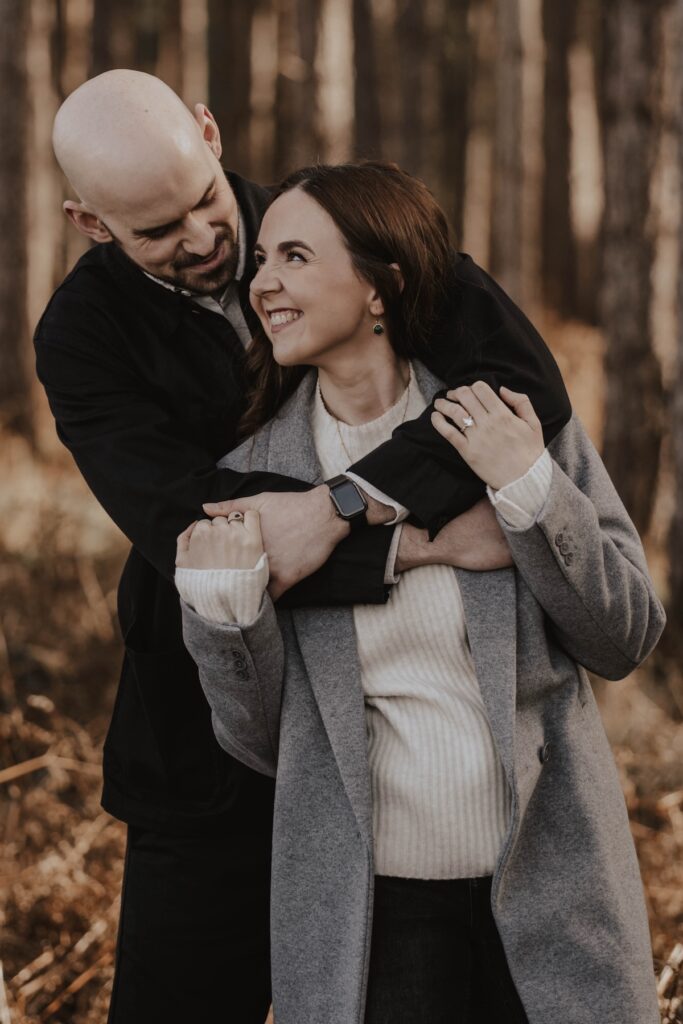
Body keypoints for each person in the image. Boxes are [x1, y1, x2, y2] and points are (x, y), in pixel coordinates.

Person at [34, 70, 571, 1022]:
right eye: (156, 233)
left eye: (202, 199)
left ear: (208, 130)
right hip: (207, 741)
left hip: (401, 744)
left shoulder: (335, 226)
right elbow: (190, 531)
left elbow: (516, 375)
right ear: (90, 223)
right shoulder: (81, 333)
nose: (203, 241)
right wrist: (423, 545)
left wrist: (338, 506)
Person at [176, 162, 666, 1024]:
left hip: (553, 889)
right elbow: (262, 744)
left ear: (379, 287)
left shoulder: (507, 421)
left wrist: (530, 491)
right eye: (262, 262)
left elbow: (623, 636)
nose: (264, 284)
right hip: (372, 922)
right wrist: (224, 615)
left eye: (295, 257)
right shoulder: (259, 484)